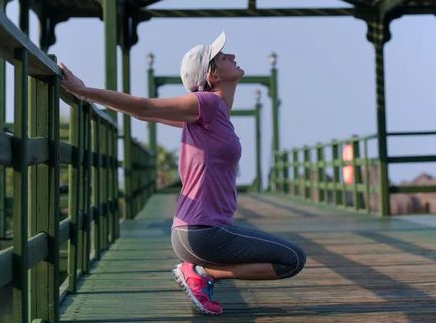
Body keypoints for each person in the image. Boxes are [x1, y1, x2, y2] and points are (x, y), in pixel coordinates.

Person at [58, 32, 306, 315]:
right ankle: (202, 273)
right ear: (212, 75)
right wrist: (82, 91)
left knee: (291, 258)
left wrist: (88, 95)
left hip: (200, 231)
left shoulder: (215, 113)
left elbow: (144, 114)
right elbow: (144, 106)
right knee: (293, 259)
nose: (233, 56)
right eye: (223, 57)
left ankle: (201, 270)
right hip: (201, 232)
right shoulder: (206, 104)